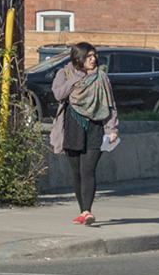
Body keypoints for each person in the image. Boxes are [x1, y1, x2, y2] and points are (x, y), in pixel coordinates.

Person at [49, 42, 118, 226]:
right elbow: (59, 94)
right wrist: (77, 78)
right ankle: (82, 211)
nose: (93, 59)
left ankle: (87, 211)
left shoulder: (101, 77)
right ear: (78, 59)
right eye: (89, 57)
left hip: (95, 128)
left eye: (94, 56)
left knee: (88, 170)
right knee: (77, 173)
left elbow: (110, 105)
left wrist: (111, 129)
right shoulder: (64, 74)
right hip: (72, 128)